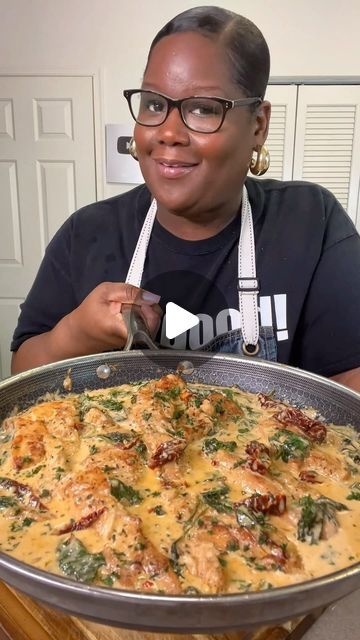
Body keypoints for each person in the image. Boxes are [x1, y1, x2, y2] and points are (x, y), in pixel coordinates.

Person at [10, 6, 360, 392]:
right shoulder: (87, 234)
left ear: (258, 125)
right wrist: (75, 334)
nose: (168, 133)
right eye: (155, 105)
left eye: (203, 109)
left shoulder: (312, 222)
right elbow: (22, 370)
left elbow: (349, 381)